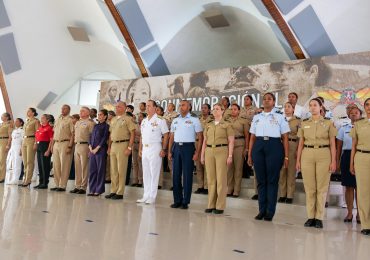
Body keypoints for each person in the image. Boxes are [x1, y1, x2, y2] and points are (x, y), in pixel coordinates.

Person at [248, 92, 290, 221]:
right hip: (259, 146)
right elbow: (252, 137)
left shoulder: (279, 117)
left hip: (274, 146)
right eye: (264, 99)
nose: (266, 101)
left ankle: (270, 212)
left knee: (272, 180)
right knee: (260, 181)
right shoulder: (257, 117)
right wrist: (250, 154)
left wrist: (286, 156)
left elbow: (285, 137)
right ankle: (261, 210)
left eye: (269, 99)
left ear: (274, 102)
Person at [296, 98, 337, 229]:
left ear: (321, 107)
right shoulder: (304, 123)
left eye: (315, 105)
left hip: (324, 154)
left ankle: (319, 217)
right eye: (310, 105)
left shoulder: (329, 123)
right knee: (309, 187)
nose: (312, 107)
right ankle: (310, 216)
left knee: (322, 187)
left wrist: (333, 161)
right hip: (307, 154)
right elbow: (301, 143)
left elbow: (332, 144)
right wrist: (298, 160)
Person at [168, 100, 203, 209]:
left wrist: (197, 152)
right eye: (180, 105)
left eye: (183, 105)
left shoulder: (194, 119)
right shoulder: (175, 120)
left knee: (187, 175)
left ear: (189, 107)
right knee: (176, 175)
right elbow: (171, 137)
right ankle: (177, 200)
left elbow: (200, 137)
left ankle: (185, 201)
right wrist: (169, 151)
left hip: (188, 148)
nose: (181, 107)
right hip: (176, 147)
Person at [201, 103, 234, 214]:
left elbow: (231, 141)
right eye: (214, 109)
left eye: (218, 109)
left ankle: (219, 206)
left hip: (222, 151)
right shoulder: (208, 124)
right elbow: (204, 141)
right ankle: (211, 204)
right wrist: (202, 155)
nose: (215, 111)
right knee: (211, 180)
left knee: (221, 179)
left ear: (223, 111)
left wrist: (230, 155)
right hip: (209, 151)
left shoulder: (227, 124)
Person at [137, 100, 169, 204]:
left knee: (154, 173)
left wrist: (164, 149)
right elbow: (142, 136)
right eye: (146, 106)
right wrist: (141, 149)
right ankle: (145, 195)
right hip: (145, 149)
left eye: (149, 106)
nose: (147, 108)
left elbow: (166, 135)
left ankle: (152, 196)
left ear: (155, 108)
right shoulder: (144, 121)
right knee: (146, 173)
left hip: (155, 147)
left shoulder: (160, 120)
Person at [105, 101, 136, 200]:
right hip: (113, 145)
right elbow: (110, 135)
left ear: (125, 108)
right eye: (116, 106)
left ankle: (120, 192)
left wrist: (129, 148)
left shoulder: (128, 119)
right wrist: (109, 147)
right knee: (113, 170)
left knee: (121, 170)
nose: (117, 108)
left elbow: (132, 134)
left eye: (119, 106)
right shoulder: (113, 119)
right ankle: (113, 190)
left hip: (123, 144)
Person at [337, 106, 361, 223]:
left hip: (361, 155)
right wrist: (337, 161)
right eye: (351, 113)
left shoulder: (365, 127)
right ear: (348, 115)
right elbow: (339, 147)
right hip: (346, 156)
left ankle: (360, 214)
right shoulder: (343, 128)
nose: (353, 114)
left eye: (356, 112)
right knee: (349, 187)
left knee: (360, 187)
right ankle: (350, 213)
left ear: (360, 114)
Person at [350, 97, 370, 236]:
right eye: (367, 105)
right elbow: (354, 146)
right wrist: (351, 163)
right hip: (362, 157)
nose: (369, 107)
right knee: (363, 192)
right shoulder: (359, 124)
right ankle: (366, 224)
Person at [278, 102, 300, 204]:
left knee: (291, 171)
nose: (286, 109)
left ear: (293, 109)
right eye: (285, 107)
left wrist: (298, 151)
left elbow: (300, 138)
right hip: (280, 145)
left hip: (292, 145)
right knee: (282, 171)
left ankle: (290, 195)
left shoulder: (298, 121)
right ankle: (282, 194)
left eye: (288, 107)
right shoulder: (279, 120)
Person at [70, 107, 95, 194]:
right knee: (77, 167)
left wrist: (90, 148)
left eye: (83, 111)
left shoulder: (90, 123)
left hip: (85, 145)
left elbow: (92, 136)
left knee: (85, 167)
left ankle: (83, 187)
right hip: (77, 145)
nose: (80, 112)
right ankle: (77, 185)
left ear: (88, 113)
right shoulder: (77, 122)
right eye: (80, 110)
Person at [50, 105, 74, 192]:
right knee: (56, 165)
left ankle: (62, 185)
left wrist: (70, 146)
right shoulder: (58, 119)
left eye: (64, 108)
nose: (62, 109)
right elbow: (54, 134)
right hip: (56, 143)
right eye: (62, 108)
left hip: (65, 143)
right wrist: (52, 145)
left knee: (65, 165)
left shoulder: (70, 120)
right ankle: (57, 184)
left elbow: (72, 134)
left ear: (69, 110)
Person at [227, 103, 249, 198]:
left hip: (239, 144)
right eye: (231, 109)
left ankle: (236, 190)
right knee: (229, 168)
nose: (233, 111)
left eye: (235, 109)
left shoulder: (243, 121)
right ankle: (229, 189)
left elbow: (247, 135)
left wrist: (246, 148)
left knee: (238, 168)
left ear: (239, 111)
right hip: (228, 145)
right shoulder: (226, 121)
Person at [88, 109, 109, 196]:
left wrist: (97, 148)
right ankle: (92, 189)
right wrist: (90, 146)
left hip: (100, 150)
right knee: (92, 170)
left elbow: (104, 138)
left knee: (100, 170)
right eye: (99, 115)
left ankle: (99, 190)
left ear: (105, 116)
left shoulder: (106, 126)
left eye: (101, 115)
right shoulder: (95, 126)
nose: (99, 116)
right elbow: (91, 137)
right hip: (92, 150)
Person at [194, 103, 213, 194]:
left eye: (205, 108)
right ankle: (200, 186)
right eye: (202, 108)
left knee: (206, 165)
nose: (203, 109)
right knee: (198, 166)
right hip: (198, 142)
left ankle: (206, 187)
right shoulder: (198, 120)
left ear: (209, 110)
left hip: (207, 143)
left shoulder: (212, 120)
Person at [20, 108, 40, 187]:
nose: (27, 112)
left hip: (31, 141)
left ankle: (28, 180)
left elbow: (37, 134)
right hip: (25, 140)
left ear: (33, 113)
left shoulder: (36, 121)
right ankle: (25, 178)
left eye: (29, 111)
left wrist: (36, 143)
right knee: (25, 162)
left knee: (29, 161)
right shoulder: (27, 121)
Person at [34, 114, 53, 189]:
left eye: (43, 118)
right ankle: (40, 182)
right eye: (41, 118)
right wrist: (35, 144)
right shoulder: (39, 128)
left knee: (45, 165)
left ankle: (45, 183)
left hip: (45, 145)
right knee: (40, 166)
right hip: (39, 146)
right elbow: (37, 137)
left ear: (47, 119)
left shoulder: (49, 128)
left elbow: (51, 140)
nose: (41, 119)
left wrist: (48, 150)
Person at [5, 118, 24, 185]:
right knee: (13, 164)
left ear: (21, 123)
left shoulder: (22, 130)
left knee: (17, 164)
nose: (15, 122)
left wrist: (21, 150)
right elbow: (12, 139)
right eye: (15, 121)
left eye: (17, 121)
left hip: (19, 147)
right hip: (13, 147)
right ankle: (13, 179)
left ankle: (16, 179)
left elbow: (23, 141)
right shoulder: (14, 130)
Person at [131, 112, 145, 187]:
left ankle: (140, 180)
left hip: (141, 145)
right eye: (138, 116)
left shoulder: (145, 125)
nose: (139, 118)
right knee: (134, 163)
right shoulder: (135, 125)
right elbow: (132, 133)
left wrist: (137, 134)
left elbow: (141, 134)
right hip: (134, 144)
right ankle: (134, 180)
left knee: (140, 163)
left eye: (141, 117)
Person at [0, 113, 13, 183]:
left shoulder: (9, 125)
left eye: (2, 116)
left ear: (7, 117)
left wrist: (8, 145)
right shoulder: (1, 124)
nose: (1, 117)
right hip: (0, 141)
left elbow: (10, 136)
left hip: (4, 142)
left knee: (2, 160)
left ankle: (2, 177)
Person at [105, 110, 116, 183]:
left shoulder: (114, 122)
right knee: (106, 161)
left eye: (109, 115)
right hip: (105, 143)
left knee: (110, 162)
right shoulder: (106, 123)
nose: (108, 116)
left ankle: (110, 178)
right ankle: (106, 176)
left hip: (112, 143)